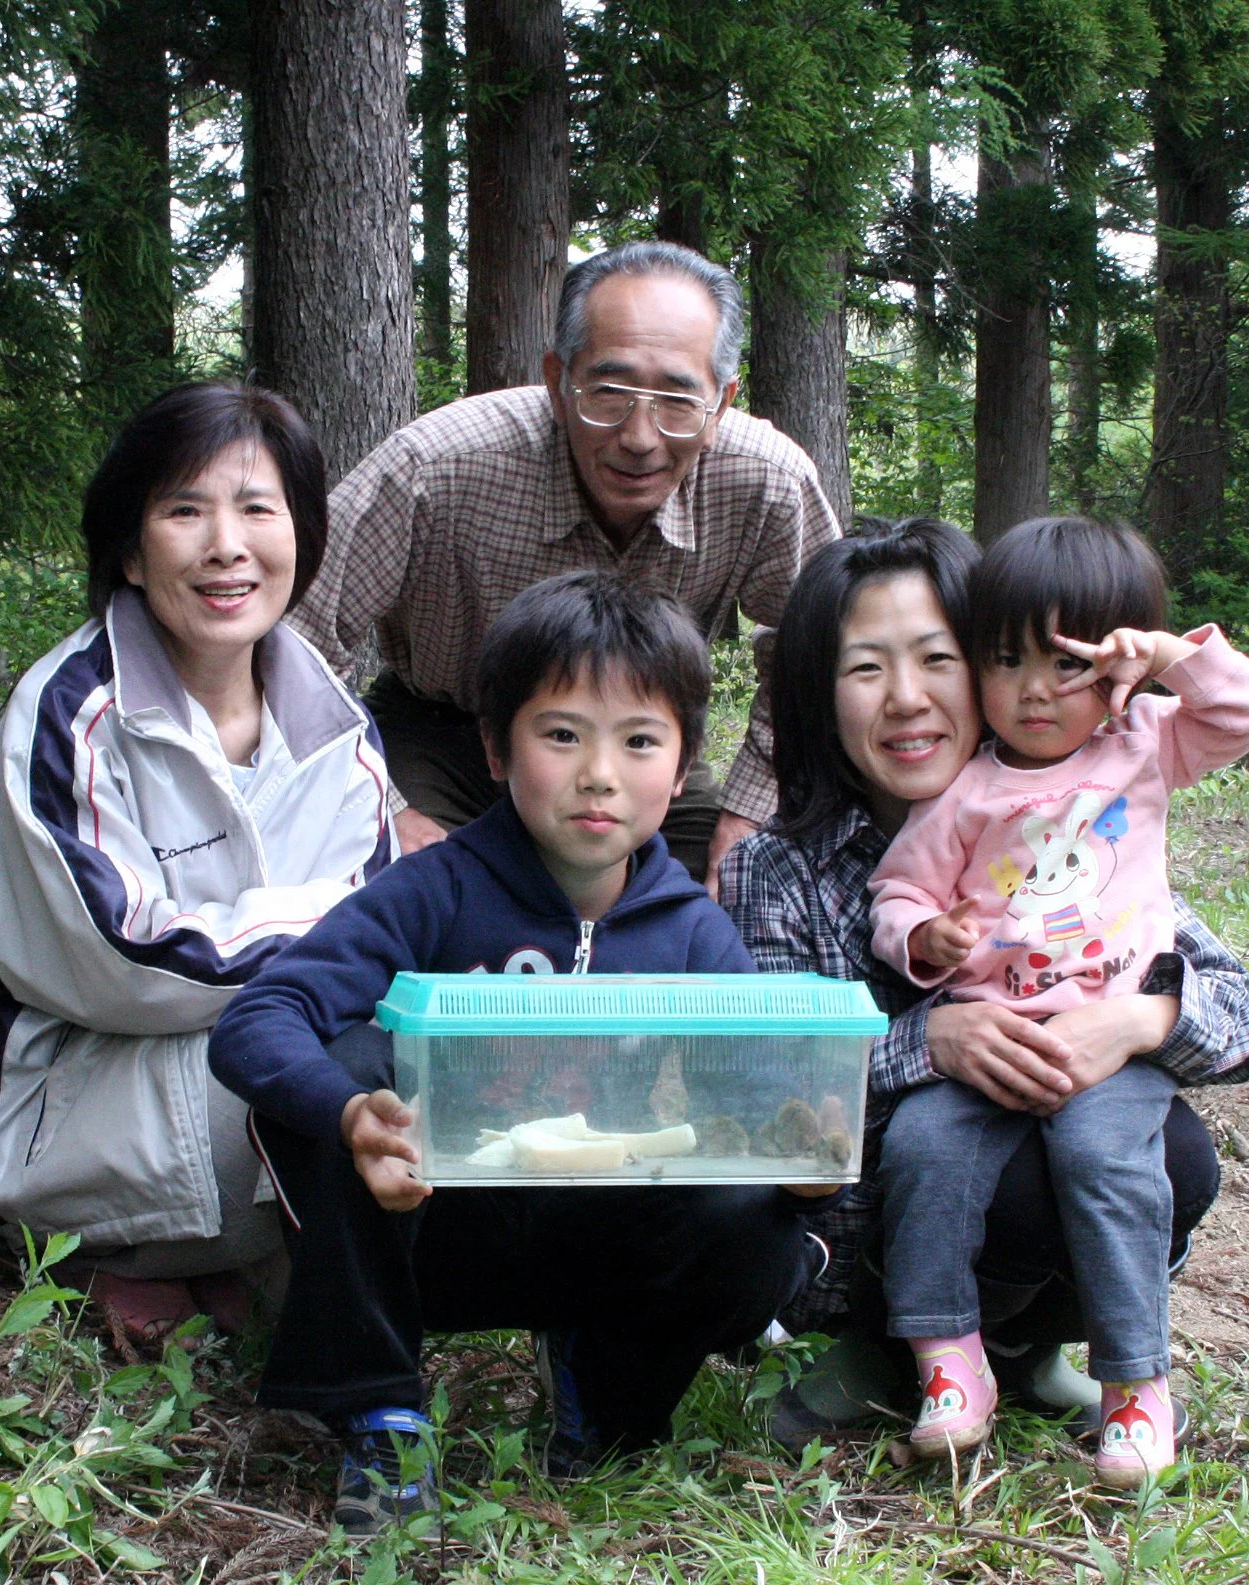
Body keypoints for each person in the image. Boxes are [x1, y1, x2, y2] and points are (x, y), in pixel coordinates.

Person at [213, 571, 831, 1534]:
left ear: (682, 766)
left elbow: (752, 1089)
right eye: (561, 734)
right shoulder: (437, 889)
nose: (600, 774)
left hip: (604, 1238)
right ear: (497, 749)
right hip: (430, 1231)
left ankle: (609, 1390)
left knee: (753, 1213)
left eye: (638, 740)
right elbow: (261, 1017)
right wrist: (348, 1114)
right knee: (352, 1064)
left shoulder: (689, 931)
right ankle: (380, 1409)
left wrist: (798, 1154)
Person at [717, 520, 1249, 1463]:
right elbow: (777, 1095)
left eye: (939, 658)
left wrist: (1139, 1018)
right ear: (816, 691)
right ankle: (895, 1351)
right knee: (957, 1147)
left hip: (1057, 1141)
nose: (908, 699)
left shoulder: (1075, 804)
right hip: (863, 1235)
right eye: (864, 670)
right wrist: (931, 1041)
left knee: (1162, 1149)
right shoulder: (776, 867)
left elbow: (1235, 1023)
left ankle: (1031, 1348)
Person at [0, 383, 394, 1348]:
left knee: (401, 1066)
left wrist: (348, 950)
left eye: (258, 508)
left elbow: (381, 937)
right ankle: (117, 1249)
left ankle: (227, 1257)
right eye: (185, 510)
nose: (227, 544)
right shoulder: (70, 713)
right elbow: (126, 963)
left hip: (217, 1065)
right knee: (343, 1082)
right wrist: (331, 932)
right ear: (131, 551)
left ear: (300, 534)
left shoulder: (334, 726)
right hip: (61, 1090)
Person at [863, 517, 1249, 1484]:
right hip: (991, 1033)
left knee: (1106, 1159)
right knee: (923, 1153)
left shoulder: (1142, 744)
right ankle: (947, 1362)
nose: (1036, 690)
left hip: (1112, 1036)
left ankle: (1135, 1386)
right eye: (1006, 662)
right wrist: (923, 939)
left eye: (1067, 663)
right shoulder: (963, 793)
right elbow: (899, 893)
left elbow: (1245, 712)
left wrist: (1173, 656)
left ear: (1114, 668)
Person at [289, 240, 843, 888]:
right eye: (607, 393)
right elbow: (296, 634)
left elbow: (814, 657)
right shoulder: (437, 468)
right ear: (556, 380)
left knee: (732, 895)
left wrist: (747, 810)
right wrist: (385, 808)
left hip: (643, 738)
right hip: (446, 735)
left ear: (720, 403)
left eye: (675, 400)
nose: (638, 437)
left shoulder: (767, 482)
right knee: (410, 898)